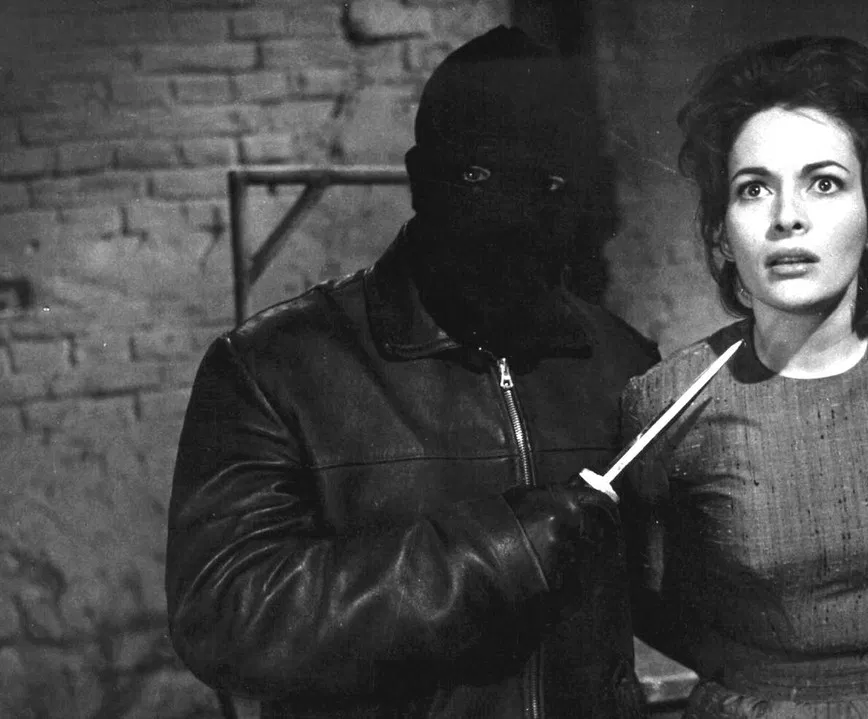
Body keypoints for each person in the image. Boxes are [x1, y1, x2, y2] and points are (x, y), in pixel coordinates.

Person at [166, 27, 658, 718]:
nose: (512, 216)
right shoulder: (274, 367)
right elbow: (226, 616)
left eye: (546, 185)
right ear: (421, 180)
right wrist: (495, 554)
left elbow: (672, 598)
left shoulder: (620, 362)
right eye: (477, 178)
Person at [621, 36, 868, 718]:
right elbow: (651, 598)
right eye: (753, 189)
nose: (787, 217)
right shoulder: (668, 404)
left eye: (823, 182)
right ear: (722, 231)